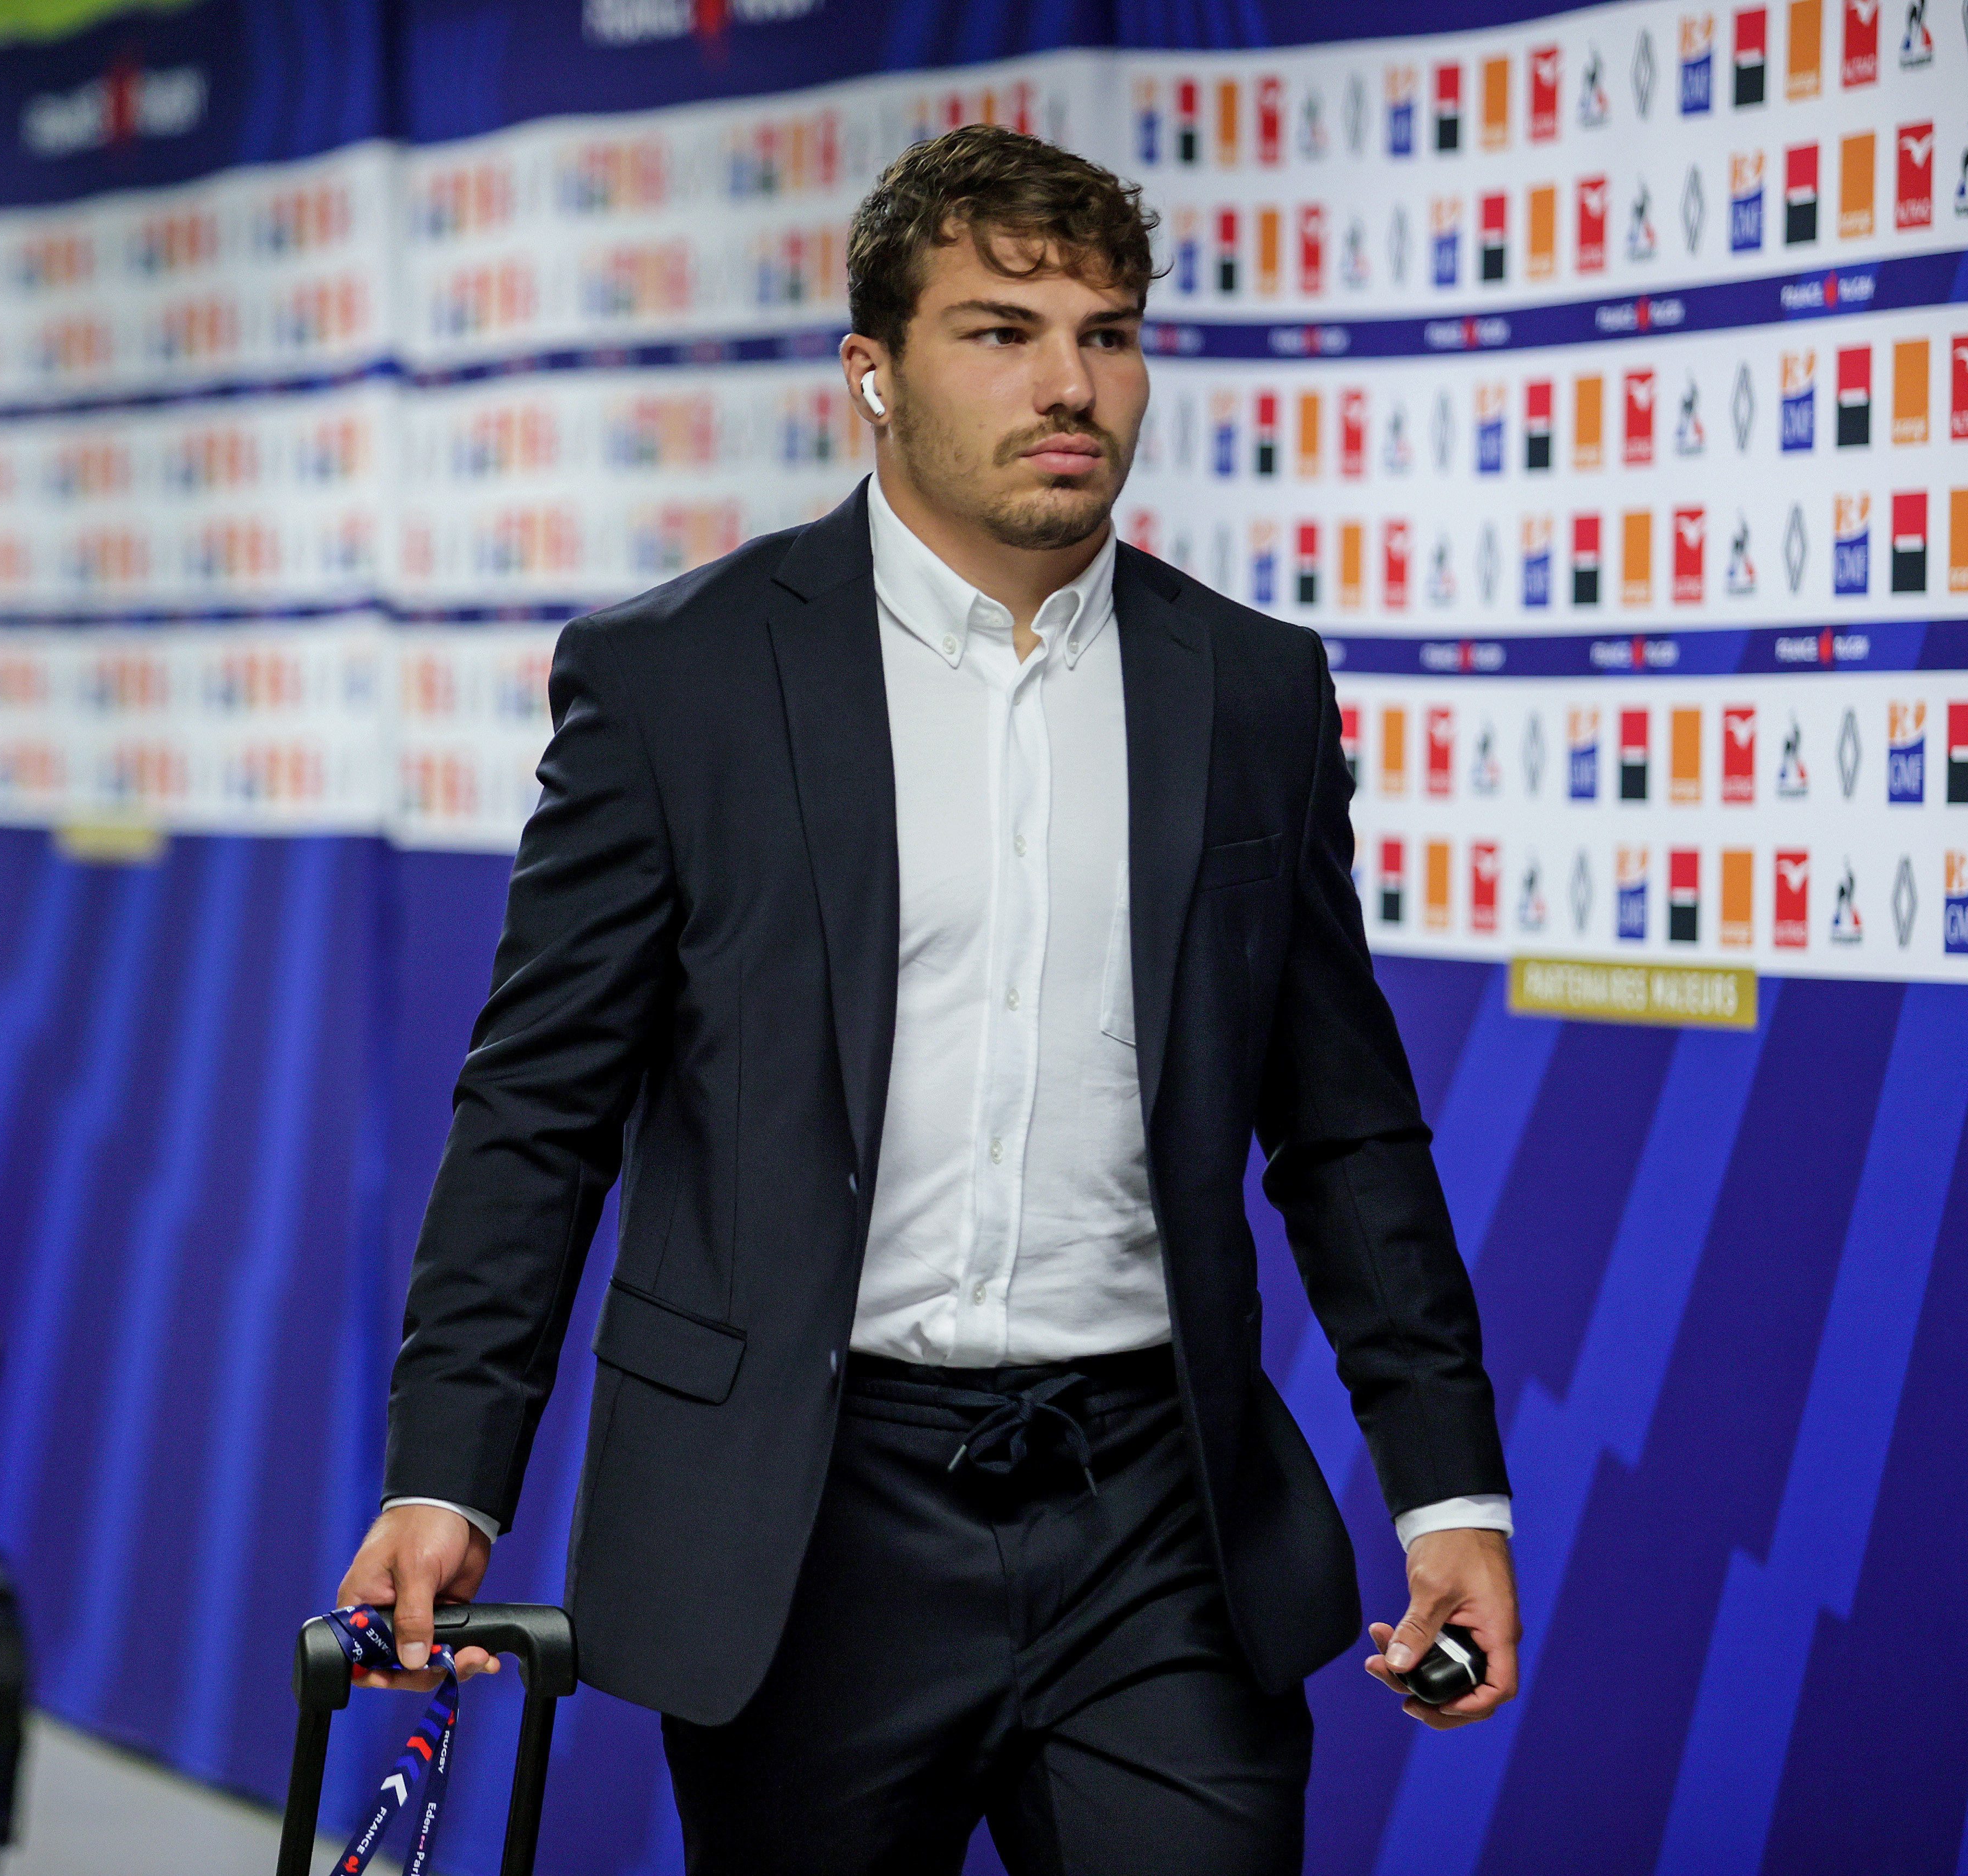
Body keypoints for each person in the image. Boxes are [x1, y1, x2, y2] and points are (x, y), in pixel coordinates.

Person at [335, 126, 1522, 1873]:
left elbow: (1344, 1127)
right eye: (1002, 331)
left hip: (1157, 1515)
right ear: (870, 376)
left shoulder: (1253, 688)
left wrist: (1449, 1487)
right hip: (809, 1518)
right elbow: (537, 1108)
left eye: (1108, 333)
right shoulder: (679, 680)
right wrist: (449, 1473)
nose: (1071, 384)